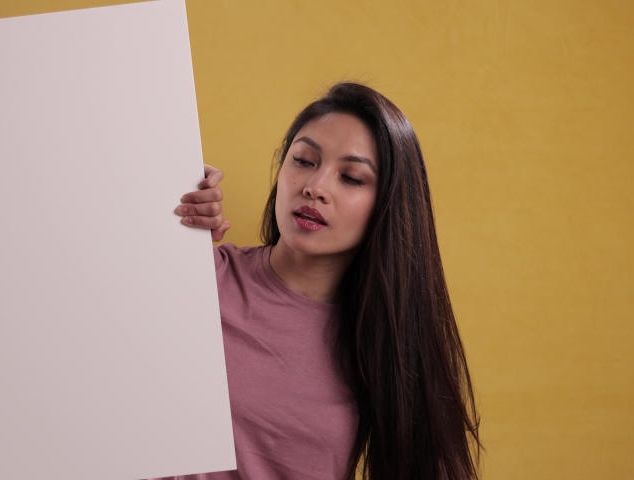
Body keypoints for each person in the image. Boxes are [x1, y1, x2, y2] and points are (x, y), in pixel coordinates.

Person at [154, 82, 480, 480]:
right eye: (305, 160)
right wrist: (159, 202)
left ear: (388, 205)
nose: (315, 187)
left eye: (352, 178)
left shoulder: (388, 340)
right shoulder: (200, 277)